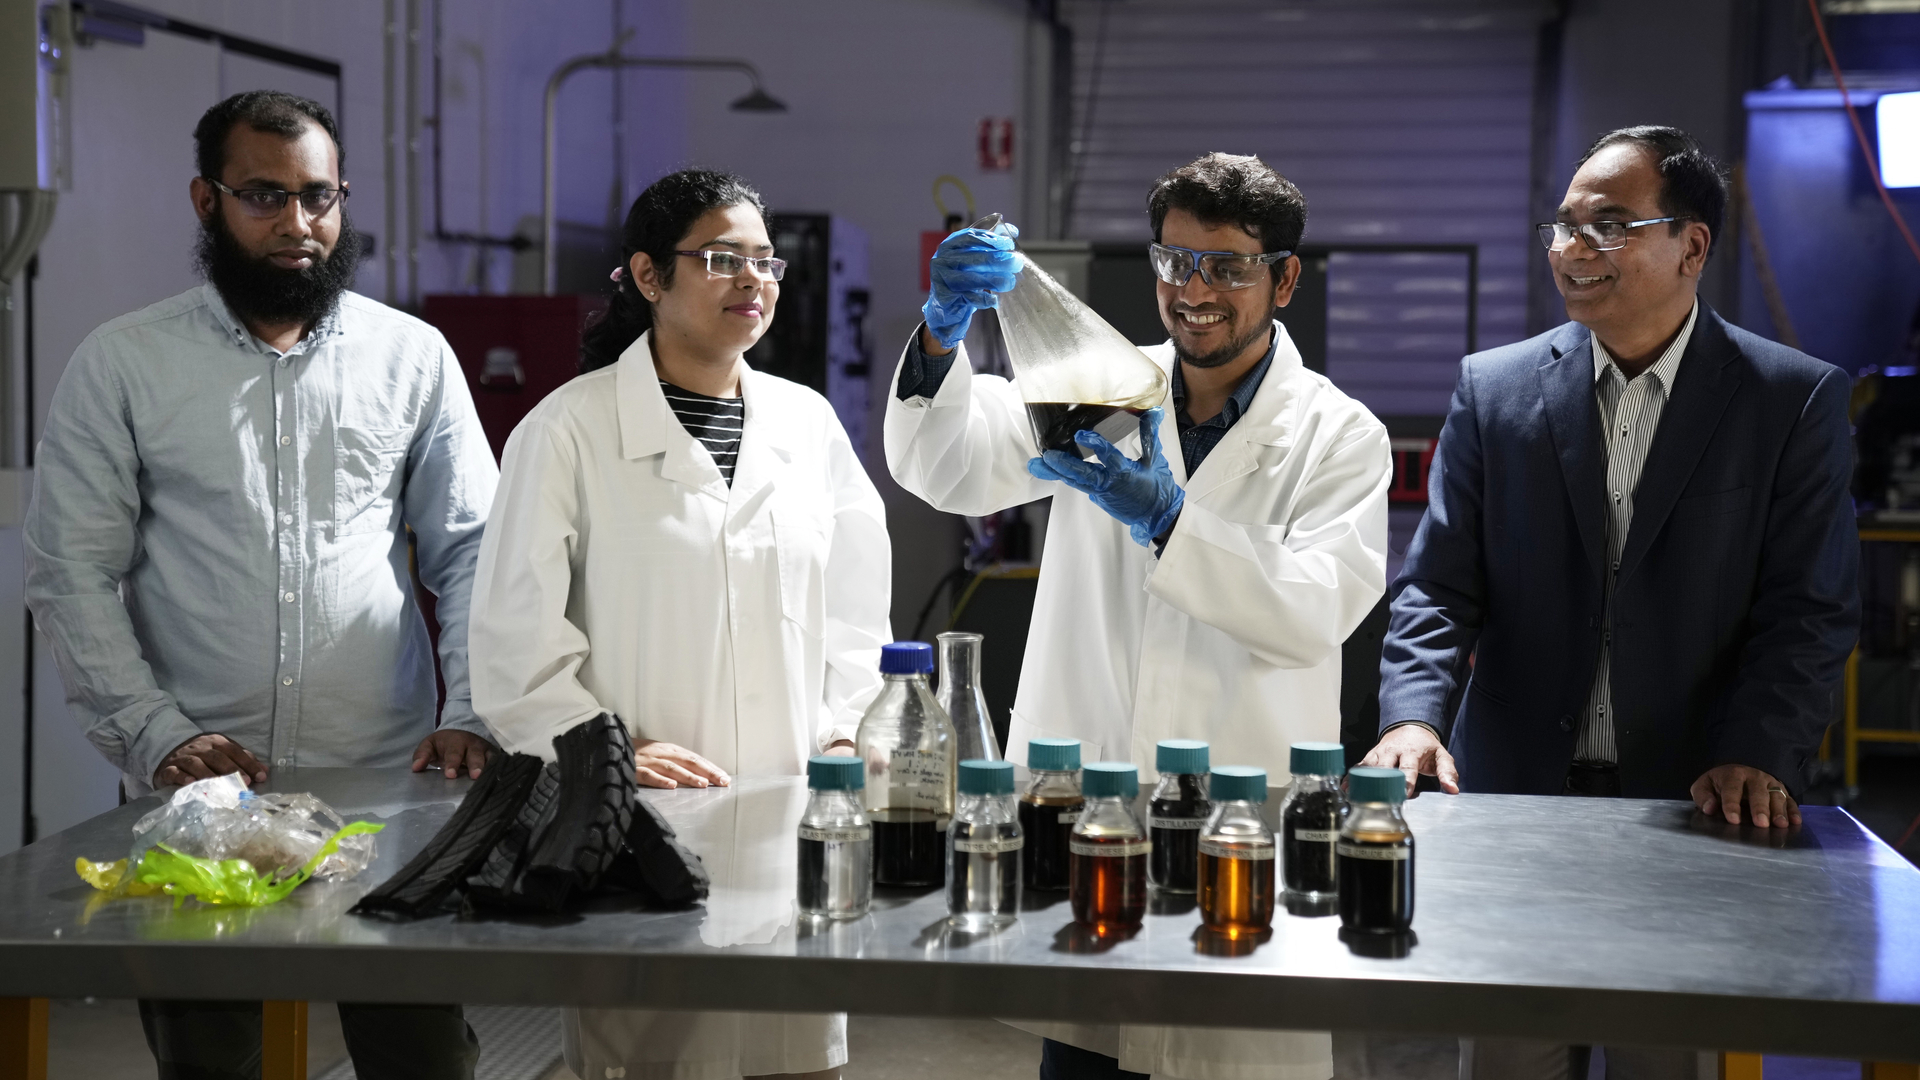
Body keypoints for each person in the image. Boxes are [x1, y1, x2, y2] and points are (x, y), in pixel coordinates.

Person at [1364, 127, 1859, 1080]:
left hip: (1693, 811)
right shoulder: (1495, 391)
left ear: (1692, 246)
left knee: (1668, 1061)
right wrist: (1414, 717)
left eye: (1610, 224)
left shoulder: (1788, 401)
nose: (1573, 247)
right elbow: (1437, 586)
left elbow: (1808, 610)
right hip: (1516, 810)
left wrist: (1758, 750)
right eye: (1563, 225)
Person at [887, 152, 1390, 1080]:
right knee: (1092, 1047)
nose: (1193, 291)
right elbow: (947, 467)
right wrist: (940, 337)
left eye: (1227, 267)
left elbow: (1314, 609)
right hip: (1089, 812)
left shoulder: (1339, 435)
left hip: (1242, 821)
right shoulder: (1096, 382)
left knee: (1232, 1039)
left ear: (1284, 279)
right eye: (1175, 262)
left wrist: (1170, 521)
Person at [24, 91, 493, 1079]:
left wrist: (473, 710)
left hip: (385, 783)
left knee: (423, 1059)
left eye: (318, 197)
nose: (297, 223)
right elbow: (73, 571)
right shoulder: (125, 363)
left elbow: (474, 551)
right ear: (208, 201)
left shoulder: (410, 358)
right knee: (209, 1062)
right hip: (198, 793)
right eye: (264, 196)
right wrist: (155, 731)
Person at [467, 168, 890, 1080]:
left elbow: (858, 611)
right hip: (643, 826)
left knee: (796, 1058)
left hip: (793, 816)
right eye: (722, 259)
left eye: (765, 261)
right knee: (657, 1055)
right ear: (649, 276)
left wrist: (846, 728)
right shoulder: (567, 431)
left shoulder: (808, 425)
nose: (753, 280)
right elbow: (513, 640)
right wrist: (605, 750)